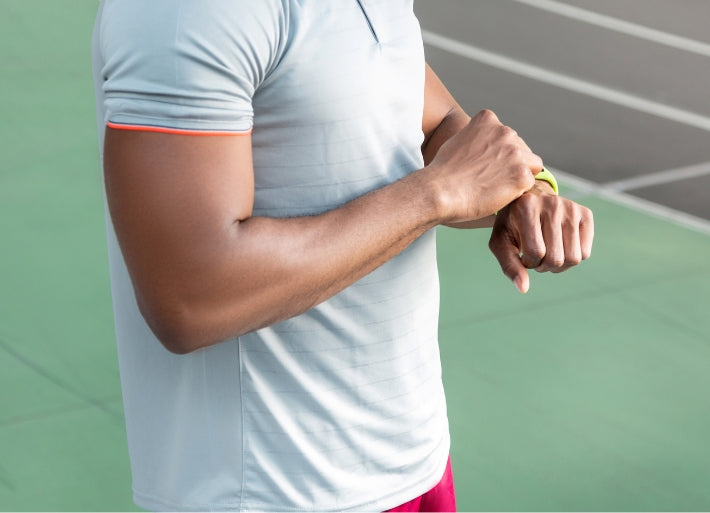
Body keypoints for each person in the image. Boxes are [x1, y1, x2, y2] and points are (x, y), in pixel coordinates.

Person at [92, 0, 593, 511]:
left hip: (414, 464)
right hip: (275, 491)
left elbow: (425, 123)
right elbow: (190, 297)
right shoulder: (187, 12)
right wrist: (436, 194)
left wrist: (517, 193)